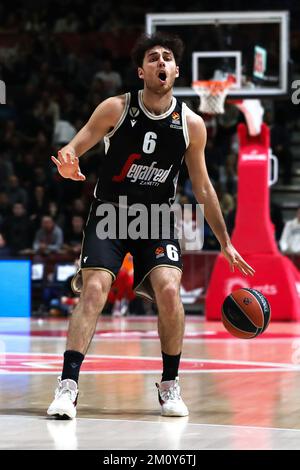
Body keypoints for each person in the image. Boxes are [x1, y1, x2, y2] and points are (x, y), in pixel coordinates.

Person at [47, 33, 255, 420]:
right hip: (111, 212)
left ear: (176, 71)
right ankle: (68, 386)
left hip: (156, 218)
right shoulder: (115, 108)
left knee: (169, 290)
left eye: (167, 58)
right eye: (153, 58)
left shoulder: (191, 124)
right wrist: (67, 160)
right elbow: (74, 146)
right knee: (95, 288)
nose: (161, 63)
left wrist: (225, 242)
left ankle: (169, 385)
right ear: (141, 70)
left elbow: (204, 188)